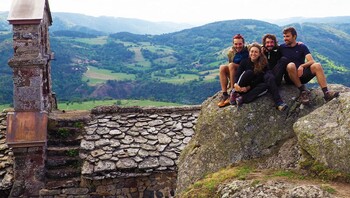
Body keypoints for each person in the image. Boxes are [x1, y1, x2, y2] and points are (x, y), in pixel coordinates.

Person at [280, 27, 339, 103]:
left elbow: (311, 61)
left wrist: (302, 66)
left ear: (294, 36)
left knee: (317, 65)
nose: (285, 38)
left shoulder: (302, 46)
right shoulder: (282, 47)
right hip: (290, 77)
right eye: (284, 36)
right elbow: (269, 46)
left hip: (301, 75)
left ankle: (326, 93)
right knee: (291, 65)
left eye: (287, 36)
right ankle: (303, 91)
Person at [229, 43, 269, 107]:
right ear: (249, 52)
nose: (253, 54)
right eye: (252, 51)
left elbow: (259, 79)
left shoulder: (263, 64)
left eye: (256, 52)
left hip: (251, 87)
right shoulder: (244, 62)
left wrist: (248, 87)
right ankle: (235, 93)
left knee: (265, 86)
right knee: (249, 72)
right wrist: (236, 84)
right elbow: (238, 74)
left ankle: (242, 98)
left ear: (259, 54)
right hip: (241, 85)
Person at [217, 34, 249, 107]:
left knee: (231, 65)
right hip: (235, 72)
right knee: (222, 67)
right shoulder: (231, 53)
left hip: (244, 71)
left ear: (243, 43)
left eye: (240, 44)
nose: (238, 46)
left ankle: (232, 93)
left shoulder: (248, 49)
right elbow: (230, 66)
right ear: (233, 44)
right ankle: (225, 94)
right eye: (236, 44)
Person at [262, 34, 289, 111]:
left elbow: (288, 46)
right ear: (264, 43)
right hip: (266, 77)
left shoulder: (279, 50)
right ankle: (279, 102)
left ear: (275, 43)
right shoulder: (261, 52)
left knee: (283, 59)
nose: (269, 44)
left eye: (271, 42)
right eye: (267, 42)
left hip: (276, 76)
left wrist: (298, 43)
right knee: (268, 75)